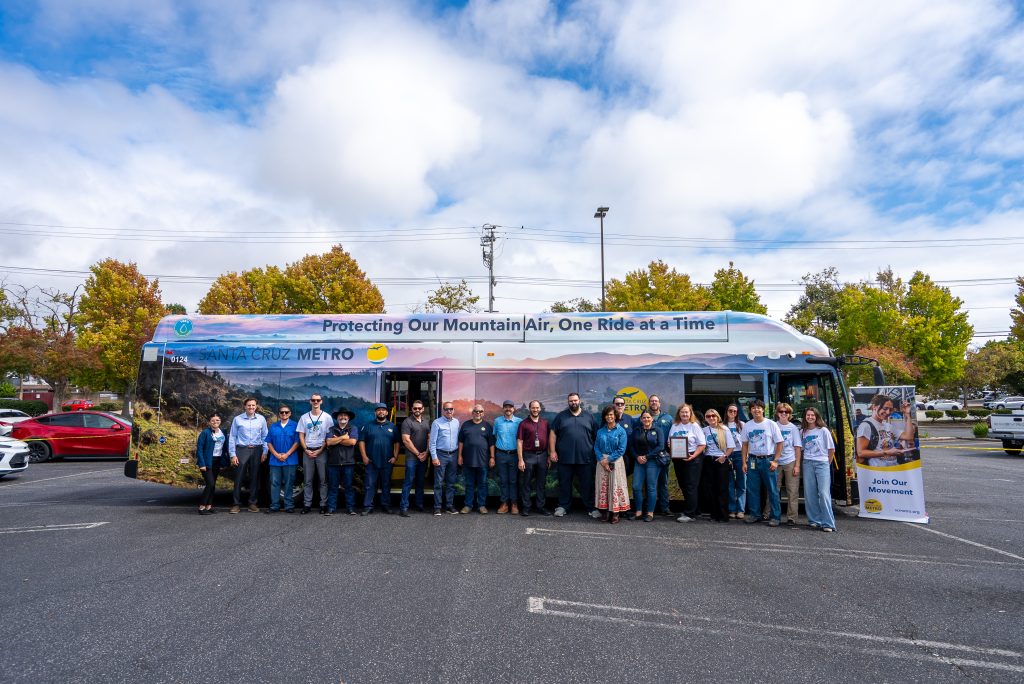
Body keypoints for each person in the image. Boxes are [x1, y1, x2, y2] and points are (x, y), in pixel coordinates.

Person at [549, 392, 599, 518]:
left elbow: (596, 436)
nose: (573, 402)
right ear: (568, 402)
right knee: (564, 484)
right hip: (565, 458)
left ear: (579, 401)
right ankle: (563, 506)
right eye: (571, 401)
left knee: (587, 484)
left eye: (575, 400)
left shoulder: (589, 417)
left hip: (585, 458)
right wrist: (553, 451)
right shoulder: (561, 417)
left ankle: (591, 508)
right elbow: (553, 433)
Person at [740, 399, 784, 526]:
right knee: (752, 489)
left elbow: (780, 443)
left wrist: (775, 460)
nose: (756, 410)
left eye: (759, 407)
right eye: (753, 408)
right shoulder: (747, 425)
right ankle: (755, 514)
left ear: (763, 409)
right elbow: (744, 445)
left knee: (772, 490)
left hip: (768, 460)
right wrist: (744, 462)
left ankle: (775, 517)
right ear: (750, 410)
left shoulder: (771, 424)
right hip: (752, 460)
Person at [227, 397, 268, 514]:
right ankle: (235, 504)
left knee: (255, 477)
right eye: (249, 405)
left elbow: (265, 436)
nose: (251, 407)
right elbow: (232, 437)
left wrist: (265, 452)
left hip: (257, 450)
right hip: (242, 450)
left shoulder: (261, 419)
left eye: (253, 405)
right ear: (245, 406)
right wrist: (232, 454)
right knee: (238, 478)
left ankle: (252, 503)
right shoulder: (237, 419)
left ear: (256, 406)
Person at [801, 407, 837, 532]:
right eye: (808, 415)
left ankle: (828, 523)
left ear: (816, 417)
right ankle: (814, 520)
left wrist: (827, 462)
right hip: (807, 463)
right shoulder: (803, 432)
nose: (810, 417)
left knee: (823, 493)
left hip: (822, 463)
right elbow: (800, 448)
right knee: (810, 493)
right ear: (805, 417)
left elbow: (831, 449)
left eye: (812, 415)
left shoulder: (823, 431)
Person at [669, 404, 706, 523]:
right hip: (678, 459)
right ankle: (694, 509)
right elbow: (669, 441)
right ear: (678, 414)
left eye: (687, 412)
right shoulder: (675, 426)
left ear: (690, 414)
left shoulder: (694, 426)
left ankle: (689, 514)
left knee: (691, 485)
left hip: (693, 459)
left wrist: (693, 456)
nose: (684, 414)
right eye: (682, 412)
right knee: (683, 485)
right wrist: (670, 445)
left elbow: (702, 444)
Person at [297, 394, 334, 515]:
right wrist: (306, 449)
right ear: (310, 401)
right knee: (308, 480)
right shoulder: (304, 417)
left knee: (323, 480)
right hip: (307, 451)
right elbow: (301, 435)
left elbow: (329, 436)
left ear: (321, 401)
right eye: (313, 400)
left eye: (318, 400)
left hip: (321, 451)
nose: (315, 402)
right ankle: (307, 505)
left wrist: (321, 450)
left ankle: (323, 504)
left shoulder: (327, 417)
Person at [360, 403, 398, 514]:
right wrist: (364, 457)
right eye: (379, 410)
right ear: (375, 412)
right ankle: (368, 506)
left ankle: (386, 505)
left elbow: (397, 443)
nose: (381, 412)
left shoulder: (392, 427)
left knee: (386, 484)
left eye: (383, 410)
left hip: (387, 461)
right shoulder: (367, 426)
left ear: (387, 412)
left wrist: (395, 457)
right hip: (371, 461)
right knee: (369, 484)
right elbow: (361, 441)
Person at [856, 394, 915, 467]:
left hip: (893, 469)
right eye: (885, 408)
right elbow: (861, 452)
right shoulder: (866, 425)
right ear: (874, 407)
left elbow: (909, 437)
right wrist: (887, 452)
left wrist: (907, 415)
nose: (888, 412)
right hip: (878, 472)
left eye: (890, 409)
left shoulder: (888, 426)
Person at [594, 405, 629, 523]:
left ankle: (615, 513)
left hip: (616, 461)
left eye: (611, 415)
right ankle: (604, 512)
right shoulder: (600, 431)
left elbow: (621, 449)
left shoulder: (621, 431)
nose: (609, 417)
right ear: (604, 417)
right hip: (601, 462)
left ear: (615, 416)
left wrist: (608, 460)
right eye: (607, 415)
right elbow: (596, 447)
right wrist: (602, 460)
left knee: (615, 485)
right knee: (603, 486)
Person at [700, 408, 736, 523]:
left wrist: (724, 456)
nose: (711, 418)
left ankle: (723, 515)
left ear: (717, 417)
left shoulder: (724, 429)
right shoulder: (704, 430)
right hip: (708, 460)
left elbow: (731, 447)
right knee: (710, 488)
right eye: (708, 416)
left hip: (721, 461)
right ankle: (714, 514)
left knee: (722, 489)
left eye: (713, 416)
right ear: (705, 418)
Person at [516, 400, 550, 517]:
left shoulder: (545, 423)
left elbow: (549, 440)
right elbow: (519, 442)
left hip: (542, 455)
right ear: (529, 409)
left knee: (541, 483)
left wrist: (549, 456)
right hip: (528, 456)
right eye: (533, 408)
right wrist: (520, 459)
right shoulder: (523, 424)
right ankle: (526, 507)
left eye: (537, 408)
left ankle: (541, 506)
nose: (535, 410)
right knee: (526, 483)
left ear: (540, 409)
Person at [458, 404, 494, 514]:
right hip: (468, 461)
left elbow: (491, 443)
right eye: (476, 411)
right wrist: (459, 456)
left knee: (482, 484)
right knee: (469, 484)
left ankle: (481, 505)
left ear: (483, 413)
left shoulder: (487, 426)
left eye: (480, 411)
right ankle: (468, 505)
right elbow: (461, 442)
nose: (478, 413)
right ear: (472, 412)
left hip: (483, 461)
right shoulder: (465, 425)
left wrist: (492, 457)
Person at [630, 409, 665, 521]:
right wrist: (637, 457)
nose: (646, 419)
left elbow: (660, 446)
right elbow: (631, 446)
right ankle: (639, 512)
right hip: (639, 461)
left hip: (653, 461)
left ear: (652, 419)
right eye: (644, 417)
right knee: (636, 486)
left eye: (648, 417)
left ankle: (650, 513)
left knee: (651, 487)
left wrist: (647, 456)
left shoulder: (658, 430)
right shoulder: (636, 430)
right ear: (641, 419)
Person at [399, 400, 430, 517]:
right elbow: (406, 440)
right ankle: (404, 507)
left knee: (420, 482)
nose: (417, 410)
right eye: (415, 408)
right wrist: (418, 454)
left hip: (423, 457)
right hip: (412, 457)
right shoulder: (407, 422)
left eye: (419, 408)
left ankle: (419, 504)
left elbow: (429, 438)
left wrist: (426, 453)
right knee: (408, 482)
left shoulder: (426, 422)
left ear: (423, 409)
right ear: (412, 409)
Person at [265, 405, 299, 513]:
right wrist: (275, 454)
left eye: (286, 412)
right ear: (279, 414)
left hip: (290, 459)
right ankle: (275, 505)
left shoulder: (295, 426)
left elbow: (297, 442)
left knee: (289, 483)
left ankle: (289, 505)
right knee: (275, 483)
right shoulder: (273, 426)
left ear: (290, 413)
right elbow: (269, 442)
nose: (284, 414)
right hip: (275, 460)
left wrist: (286, 454)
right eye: (281, 412)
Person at [325, 408, 359, 516]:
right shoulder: (331, 429)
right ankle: (331, 508)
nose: (343, 417)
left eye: (345, 416)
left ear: (348, 418)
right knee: (333, 486)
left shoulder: (353, 428)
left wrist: (337, 439)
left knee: (348, 487)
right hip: (333, 462)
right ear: (337, 418)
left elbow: (352, 442)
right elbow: (329, 442)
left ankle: (350, 508)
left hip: (348, 462)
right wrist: (344, 437)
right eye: (340, 416)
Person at [774, 402, 802, 525]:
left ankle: (792, 518)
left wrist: (797, 465)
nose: (784, 414)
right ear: (777, 413)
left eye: (787, 412)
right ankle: (770, 514)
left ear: (790, 414)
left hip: (790, 461)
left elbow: (797, 448)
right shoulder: (773, 426)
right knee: (774, 490)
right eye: (781, 411)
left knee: (792, 491)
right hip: (775, 461)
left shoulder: (793, 428)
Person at [493, 399, 523, 514]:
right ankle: (504, 503)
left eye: (510, 407)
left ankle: (514, 503)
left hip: (515, 455)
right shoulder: (497, 421)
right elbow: (495, 436)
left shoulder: (519, 422)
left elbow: (521, 440)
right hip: (501, 455)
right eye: (506, 407)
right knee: (504, 480)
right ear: (503, 408)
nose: (508, 409)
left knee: (513, 480)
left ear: (513, 409)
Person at [430, 402, 460, 515]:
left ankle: (449, 506)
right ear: (443, 410)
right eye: (446, 409)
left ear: (453, 410)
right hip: (441, 455)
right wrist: (434, 457)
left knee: (451, 482)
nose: (449, 411)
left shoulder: (457, 422)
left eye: (451, 409)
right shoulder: (437, 423)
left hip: (453, 454)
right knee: (438, 482)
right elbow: (432, 442)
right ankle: (437, 507)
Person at [648, 395, 674, 516]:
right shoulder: (644, 417)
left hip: (663, 457)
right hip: (648, 456)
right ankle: (648, 509)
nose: (654, 402)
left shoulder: (668, 418)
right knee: (648, 483)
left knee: (663, 482)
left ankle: (665, 507)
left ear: (659, 403)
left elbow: (673, 435)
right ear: (648, 403)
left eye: (656, 401)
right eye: (652, 401)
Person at [195, 414, 226, 515]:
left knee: (213, 485)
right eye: (213, 420)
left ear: (220, 421)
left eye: (217, 420)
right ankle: (201, 507)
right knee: (210, 484)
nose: (215, 422)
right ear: (209, 422)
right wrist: (202, 464)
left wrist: (224, 462)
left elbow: (224, 448)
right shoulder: (205, 433)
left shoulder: (223, 432)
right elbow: (199, 449)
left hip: (217, 461)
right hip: (207, 461)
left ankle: (209, 507)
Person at [724, 404, 746, 519]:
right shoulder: (722, 425)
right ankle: (732, 509)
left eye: (735, 411)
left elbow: (747, 442)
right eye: (730, 410)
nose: (732, 413)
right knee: (730, 484)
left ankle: (741, 510)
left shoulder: (742, 425)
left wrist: (745, 458)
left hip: (739, 454)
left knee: (741, 483)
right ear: (726, 412)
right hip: (728, 455)